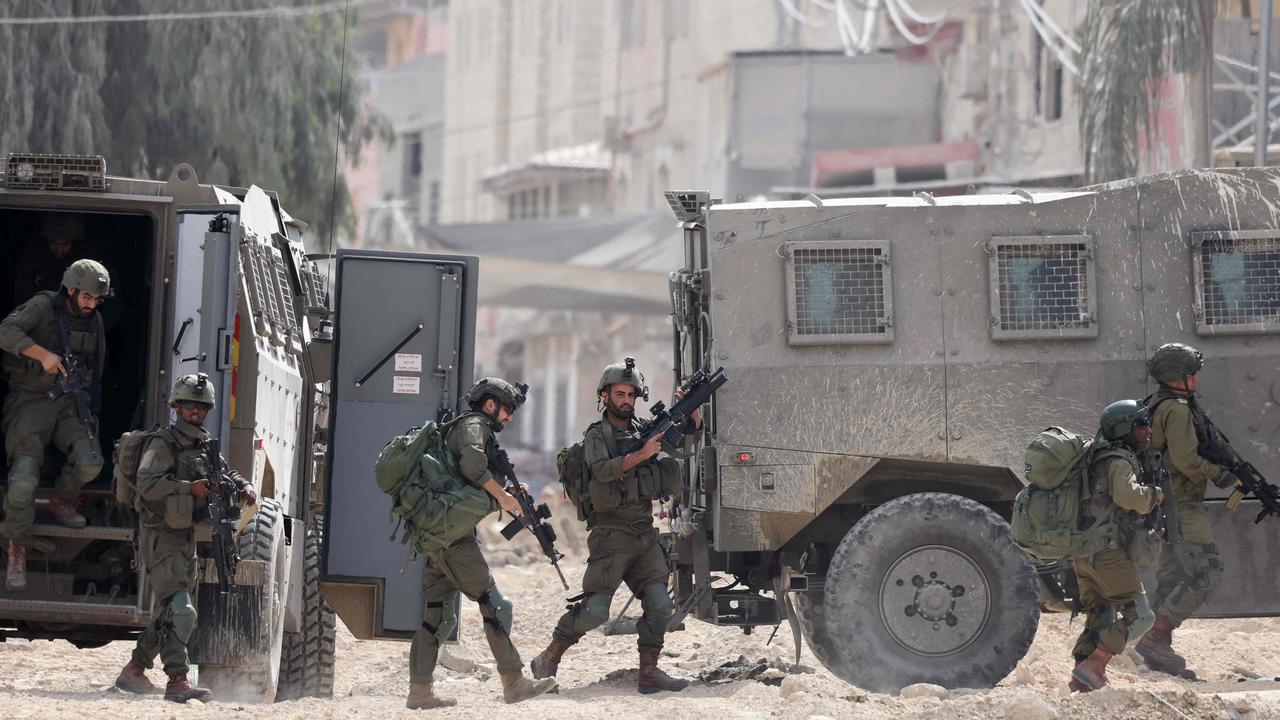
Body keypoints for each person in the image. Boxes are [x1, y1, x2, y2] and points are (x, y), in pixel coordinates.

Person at [530, 358, 697, 694]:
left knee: (661, 605)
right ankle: (548, 657)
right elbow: (603, 470)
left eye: (631, 395)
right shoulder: (596, 435)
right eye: (619, 394)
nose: (625, 400)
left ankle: (648, 673)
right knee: (594, 611)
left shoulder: (644, 430)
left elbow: (687, 441)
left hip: (643, 532)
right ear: (605, 396)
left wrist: (692, 412)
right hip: (610, 534)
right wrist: (642, 454)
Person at [406, 378, 558, 709]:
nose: (509, 418)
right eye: (507, 411)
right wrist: (503, 498)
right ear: (490, 405)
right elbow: (473, 466)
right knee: (494, 603)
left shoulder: (467, 427)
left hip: (439, 534)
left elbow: (469, 478)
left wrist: (508, 493)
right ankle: (514, 682)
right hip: (452, 538)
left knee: (437, 615)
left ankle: (419, 692)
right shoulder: (475, 425)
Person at [113, 373, 257, 703]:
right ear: (177, 406)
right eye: (190, 405)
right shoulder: (162, 443)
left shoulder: (202, 442)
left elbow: (225, 472)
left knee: (171, 611)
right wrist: (185, 489)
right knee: (183, 611)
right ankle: (177, 681)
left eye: (202, 407)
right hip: (160, 536)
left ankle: (134, 670)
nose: (195, 411)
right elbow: (147, 484)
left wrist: (244, 485)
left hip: (184, 537)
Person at [1136, 343, 1246, 677]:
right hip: (1180, 503)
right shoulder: (1178, 409)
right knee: (1206, 573)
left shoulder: (1155, 405)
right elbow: (1186, 460)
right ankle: (1156, 637)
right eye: (1190, 375)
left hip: (1164, 503)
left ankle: (1155, 648)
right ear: (1175, 378)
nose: (1195, 381)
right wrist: (1219, 473)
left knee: (1172, 577)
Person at [0, 259, 111, 589]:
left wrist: (92, 411)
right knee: (23, 477)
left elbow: (99, 366)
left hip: (69, 402)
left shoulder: (96, 321)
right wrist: (41, 355)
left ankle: (63, 499)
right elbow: (5, 331)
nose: (92, 304)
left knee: (91, 462)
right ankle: (16, 546)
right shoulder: (43, 305)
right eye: (87, 297)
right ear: (72, 289)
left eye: (97, 299)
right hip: (30, 400)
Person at [1068, 399, 1163, 692]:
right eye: (1141, 425)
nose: (1148, 430)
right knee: (1142, 616)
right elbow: (1128, 497)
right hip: (1106, 553)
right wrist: (1154, 495)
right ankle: (1095, 664)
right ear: (1124, 429)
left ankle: (1081, 677)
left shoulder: (1095, 457)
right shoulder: (1118, 460)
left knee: (1100, 613)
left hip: (1084, 553)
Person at [14, 213, 82, 305]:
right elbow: (23, 294)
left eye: (65, 244)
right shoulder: (33, 259)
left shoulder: (81, 264)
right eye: (54, 243)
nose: (59, 250)